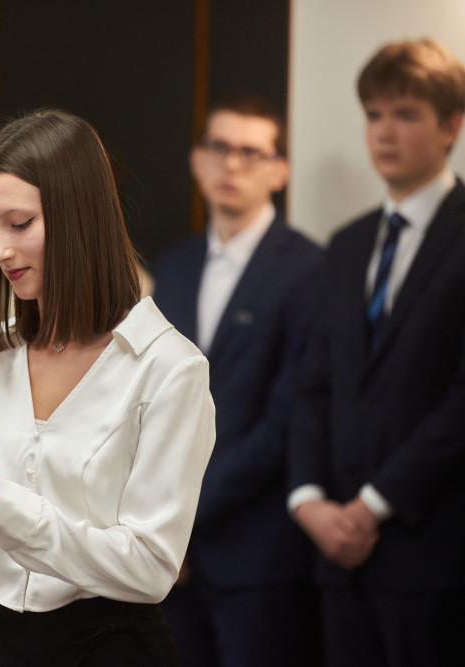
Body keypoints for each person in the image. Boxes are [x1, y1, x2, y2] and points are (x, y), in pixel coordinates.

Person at [0, 109, 216, 666]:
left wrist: (0, 501)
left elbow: (150, 568)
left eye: (19, 224)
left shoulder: (168, 366)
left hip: (110, 650)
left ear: (79, 219)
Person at [288, 38, 465, 666]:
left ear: (451, 126)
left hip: (432, 552)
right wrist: (308, 499)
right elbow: (314, 384)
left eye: (406, 114)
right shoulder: (346, 244)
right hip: (335, 553)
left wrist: (372, 505)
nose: (384, 132)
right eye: (373, 115)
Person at [154, 95, 322, 666]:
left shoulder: (310, 269)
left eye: (251, 152)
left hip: (258, 551)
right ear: (196, 160)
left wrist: (185, 512)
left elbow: (287, 420)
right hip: (169, 555)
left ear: (280, 171)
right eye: (219, 147)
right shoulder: (173, 267)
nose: (231, 164)